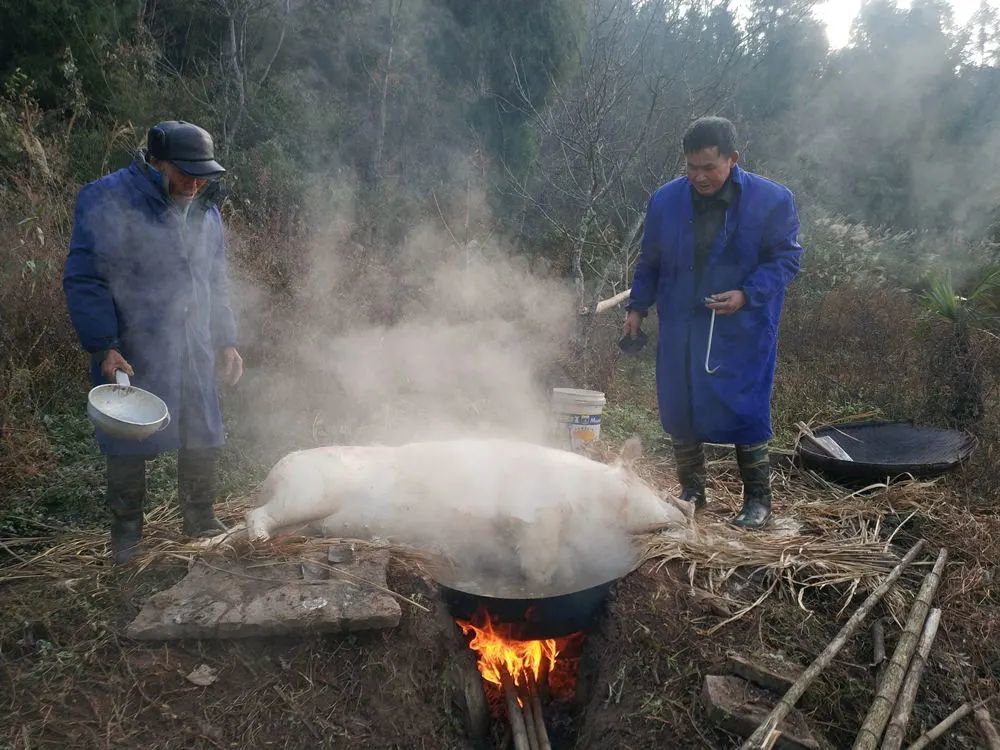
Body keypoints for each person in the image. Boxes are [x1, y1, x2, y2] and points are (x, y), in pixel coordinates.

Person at [64, 120, 243, 564]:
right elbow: (86, 278)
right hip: (134, 342)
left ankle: (200, 517)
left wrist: (225, 340)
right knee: (128, 434)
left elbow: (215, 280)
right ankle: (127, 533)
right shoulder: (107, 198)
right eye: (185, 171)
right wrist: (104, 343)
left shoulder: (205, 211)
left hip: (193, 340)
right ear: (155, 162)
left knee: (202, 425)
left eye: (203, 173)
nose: (195, 182)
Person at [622, 116, 803, 529]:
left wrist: (748, 294)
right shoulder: (666, 200)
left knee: (746, 408)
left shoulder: (771, 200)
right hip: (682, 321)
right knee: (679, 403)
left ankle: (758, 500)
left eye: (709, 167)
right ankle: (692, 492)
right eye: (691, 167)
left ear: (733, 159)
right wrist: (637, 307)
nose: (699, 177)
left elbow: (786, 258)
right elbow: (650, 259)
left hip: (740, 327)